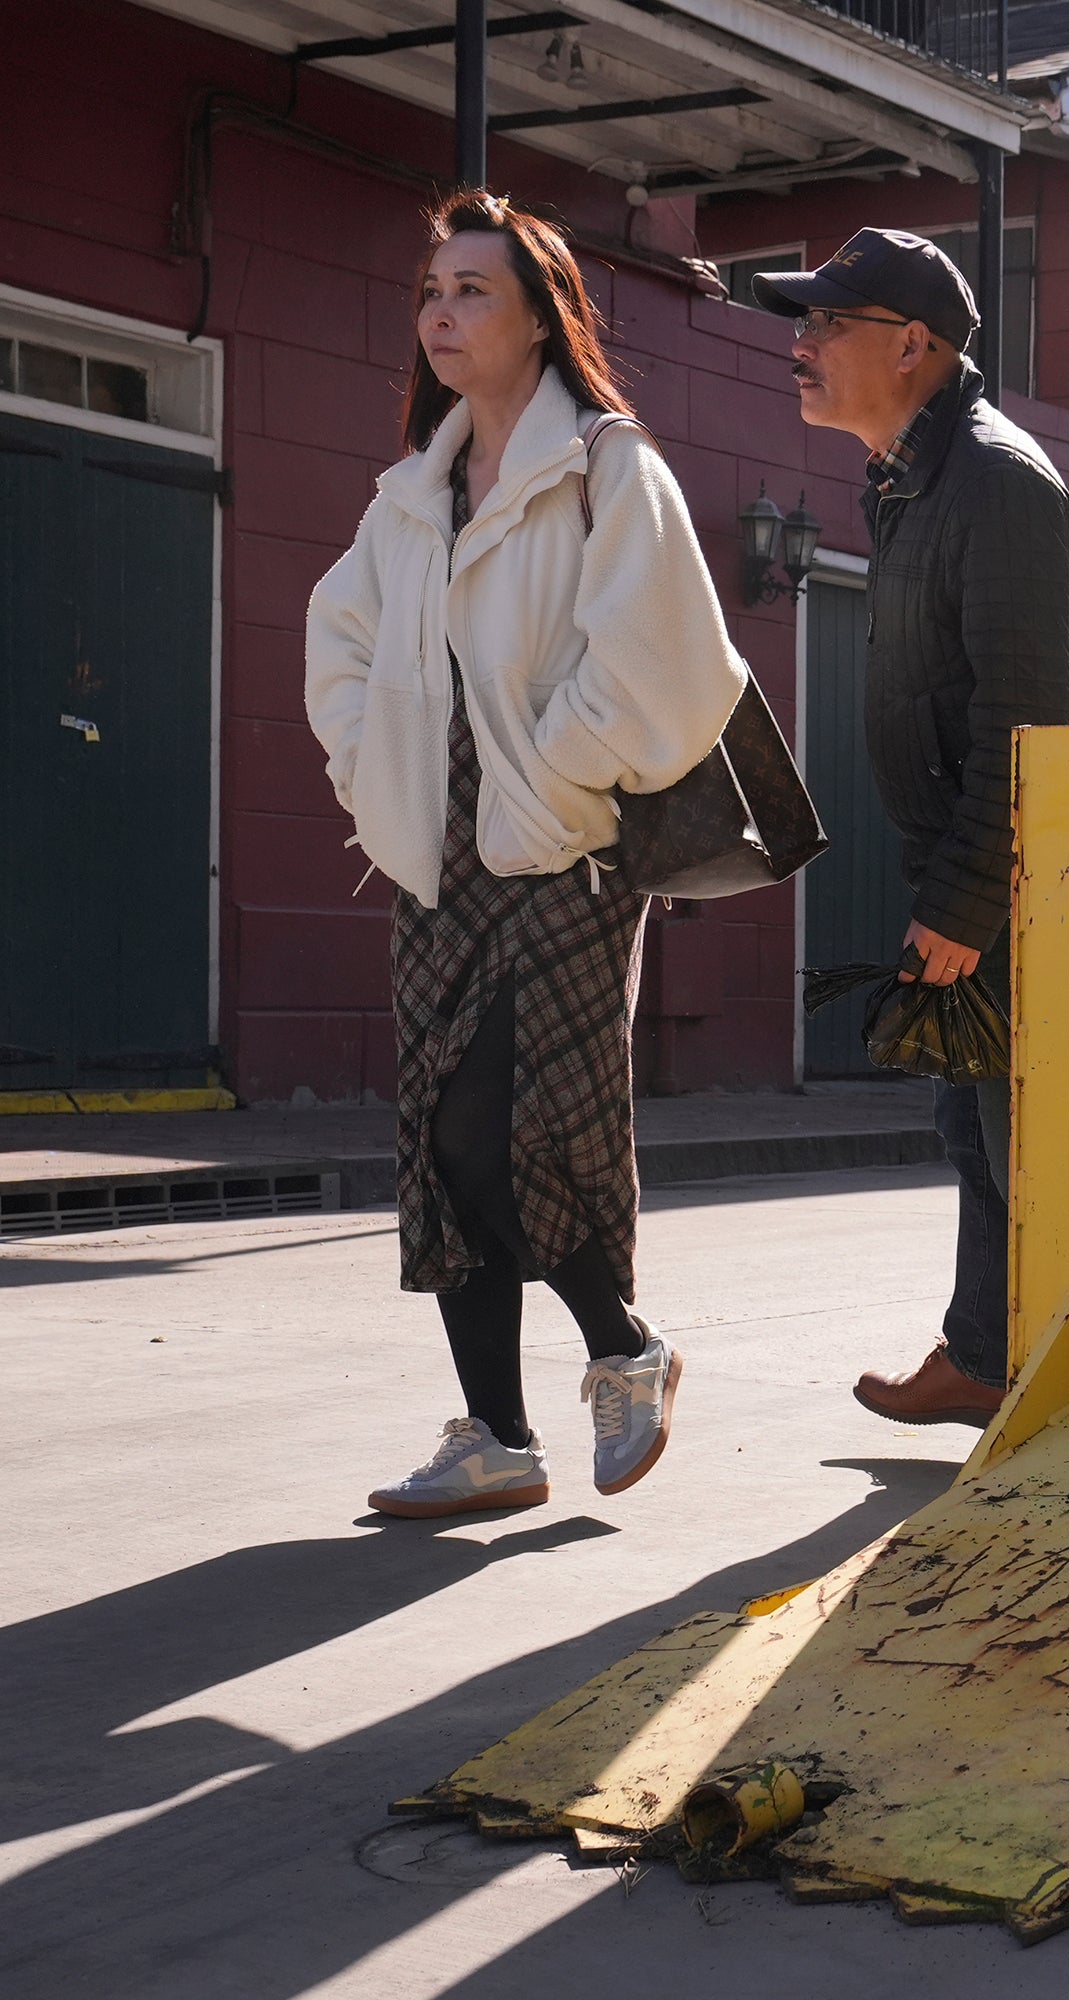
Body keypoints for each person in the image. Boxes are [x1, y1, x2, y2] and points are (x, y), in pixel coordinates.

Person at [308, 192, 744, 1516]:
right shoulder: (414, 497)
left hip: (566, 844)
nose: (443, 313)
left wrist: (555, 769)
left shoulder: (610, 467)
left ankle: (624, 1347)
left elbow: (670, 660)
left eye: (474, 290)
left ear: (543, 316)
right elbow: (340, 645)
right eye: (432, 292)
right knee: (440, 1137)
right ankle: (493, 1434)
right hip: (438, 852)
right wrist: (368, 771)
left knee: (515, 1124)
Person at [756, 229, 1069, 1424]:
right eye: (801, 323)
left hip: (1033, 888)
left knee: (1039, 1152)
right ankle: (983, 1354)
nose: (799, 344)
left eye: (826, 324)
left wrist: (967, 901)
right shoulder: (915, 475)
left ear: (913, 345)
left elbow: (1036, 724)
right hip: (984, 878)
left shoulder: (997, 482)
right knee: (975, 1128)